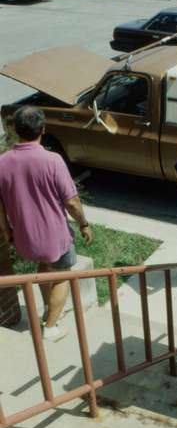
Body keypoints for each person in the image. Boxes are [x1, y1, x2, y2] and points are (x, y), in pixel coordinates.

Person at [0, 107, 93, 342]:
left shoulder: (2, 162)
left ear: (14, 129)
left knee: (43, 269)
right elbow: (71, 203)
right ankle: (50, 327)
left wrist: (7, 231)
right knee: (63, 276)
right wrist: (84, 224)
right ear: (43, 129)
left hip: (26, 239)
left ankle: (48, 311)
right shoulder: (52, 160)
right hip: (55, 238)